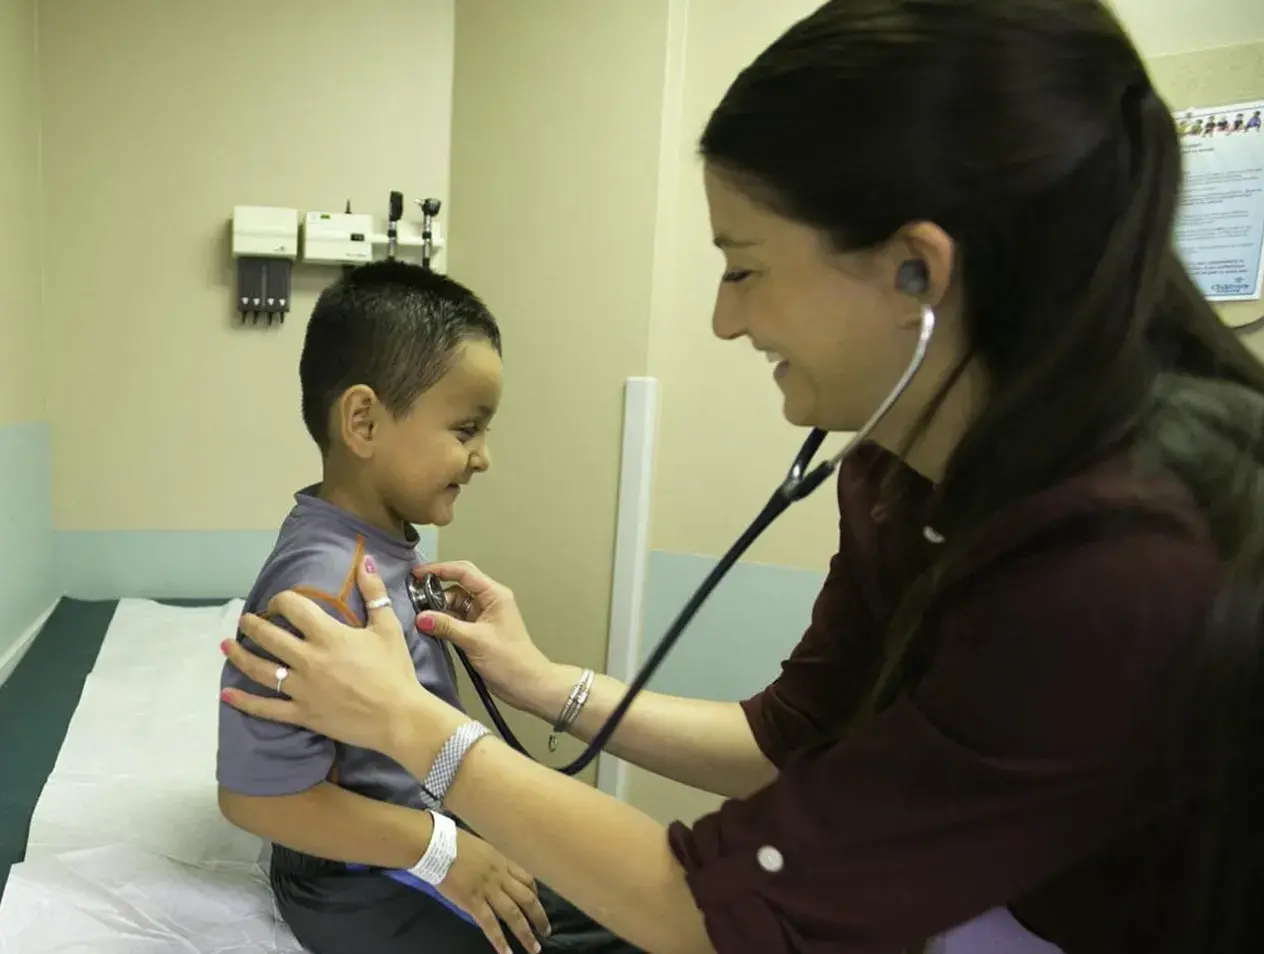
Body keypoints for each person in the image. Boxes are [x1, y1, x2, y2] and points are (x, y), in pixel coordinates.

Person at [219, 1, 1264, 952]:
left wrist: (423, 736)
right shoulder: (899, 483)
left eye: (743, 266)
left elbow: (724, 905)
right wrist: (544, 688)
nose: (724, 318)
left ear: (917, 271)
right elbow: (800, 738)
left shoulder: (1129, 562)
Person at [216, 261, 636, 954]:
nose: (483, 458)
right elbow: (255, 798)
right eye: (467, 429)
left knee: (628, 909)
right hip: (359, 881)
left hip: (414, 839)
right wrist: (443, 852)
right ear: (363, 421)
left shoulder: (379, 546)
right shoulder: (318, 588)